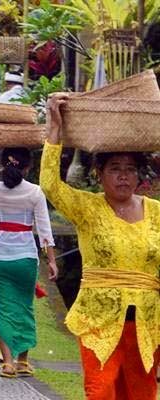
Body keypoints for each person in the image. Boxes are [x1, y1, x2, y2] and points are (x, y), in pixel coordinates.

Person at [41, 94, 160, 399]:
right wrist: (54, 130)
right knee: (101, 391)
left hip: (148, 322)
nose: (123, 175)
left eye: (131, 169)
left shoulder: (157, 212)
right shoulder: (88, 208)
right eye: (115, 168)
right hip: (98, 318)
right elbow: (50, 186)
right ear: (99, 174)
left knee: (142, 394)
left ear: (139, 175)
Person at [0, 134, 58, 378]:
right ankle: (22, 361)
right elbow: (45, 230)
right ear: (28, 167)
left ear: (3, 165)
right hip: (25, 258)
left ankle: (7, 363)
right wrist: (51, 260)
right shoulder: (35, 192)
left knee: (3, 308)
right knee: (24, 308)